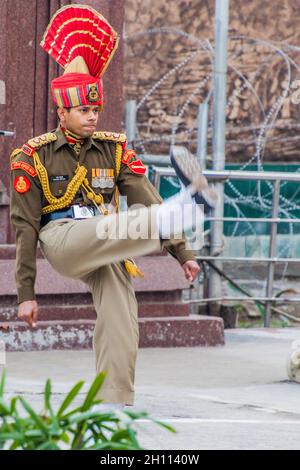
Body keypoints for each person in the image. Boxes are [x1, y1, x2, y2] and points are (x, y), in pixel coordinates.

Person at [10, 4, 215, 410]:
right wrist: (25, 294)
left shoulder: (114, 149)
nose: (91, 116)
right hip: (63, 239)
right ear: (62, 110)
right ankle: (185, 208)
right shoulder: (33, 156)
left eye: (95, 109)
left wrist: (183, 253)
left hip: (109, 241)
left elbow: (144, 196)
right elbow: (24, 228)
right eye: (83, 110)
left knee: (122, 307)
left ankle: (114, 399)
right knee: (114, 227)